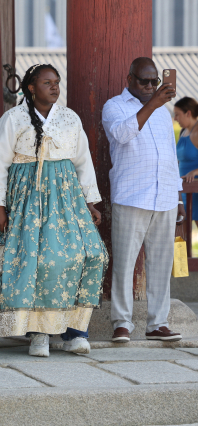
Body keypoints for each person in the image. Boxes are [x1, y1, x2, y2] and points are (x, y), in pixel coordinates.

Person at [0, 64, 107, 357]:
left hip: (66, 200)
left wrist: (90, 201)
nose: (55, 87)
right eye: (47, 82)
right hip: (25, 201)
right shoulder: (13, 119)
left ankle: (75, 332)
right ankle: (39, 334)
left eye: (57, 82)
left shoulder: (70, 118)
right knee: (39, 262)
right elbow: (0, 165)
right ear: (31, 87)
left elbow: (82, 162)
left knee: (86, 256)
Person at [102, 57, 184, 343]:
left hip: (164, 197)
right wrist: (153, 104)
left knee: (161, 263)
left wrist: (179, 197)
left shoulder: (163, 112)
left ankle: (157, 323)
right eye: (144, 81)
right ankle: (121, 323)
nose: (150, 86)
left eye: (154, 81)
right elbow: (121, 135)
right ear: (130, 80)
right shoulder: (114, 106)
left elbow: (170, 157)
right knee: (124, 263)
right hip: (132, 195)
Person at [174, 97, 198, 227]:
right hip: (183, 189)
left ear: (188, 113)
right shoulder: (183, 132)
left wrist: (194, 171)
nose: (175, 118)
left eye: (177, 114)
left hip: (195, 187)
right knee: (182, 234)